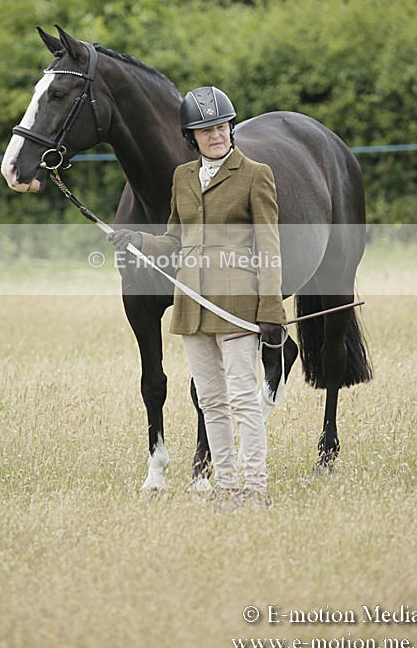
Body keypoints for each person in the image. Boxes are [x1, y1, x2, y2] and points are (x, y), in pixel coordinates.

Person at [108, 86, 285, 509]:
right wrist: (137, 241)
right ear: (191, 137)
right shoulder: (182, 178)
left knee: (243, 397)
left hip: (238, 303)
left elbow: (270, 245)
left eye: (221, 127)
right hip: (192, 307)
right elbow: (174, 241)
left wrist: (272, 310)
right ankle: (225, 486)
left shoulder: (256, 174)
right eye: (206, 130)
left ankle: (255, 488)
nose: (216, 136)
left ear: (232, 128)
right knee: (211, 400)